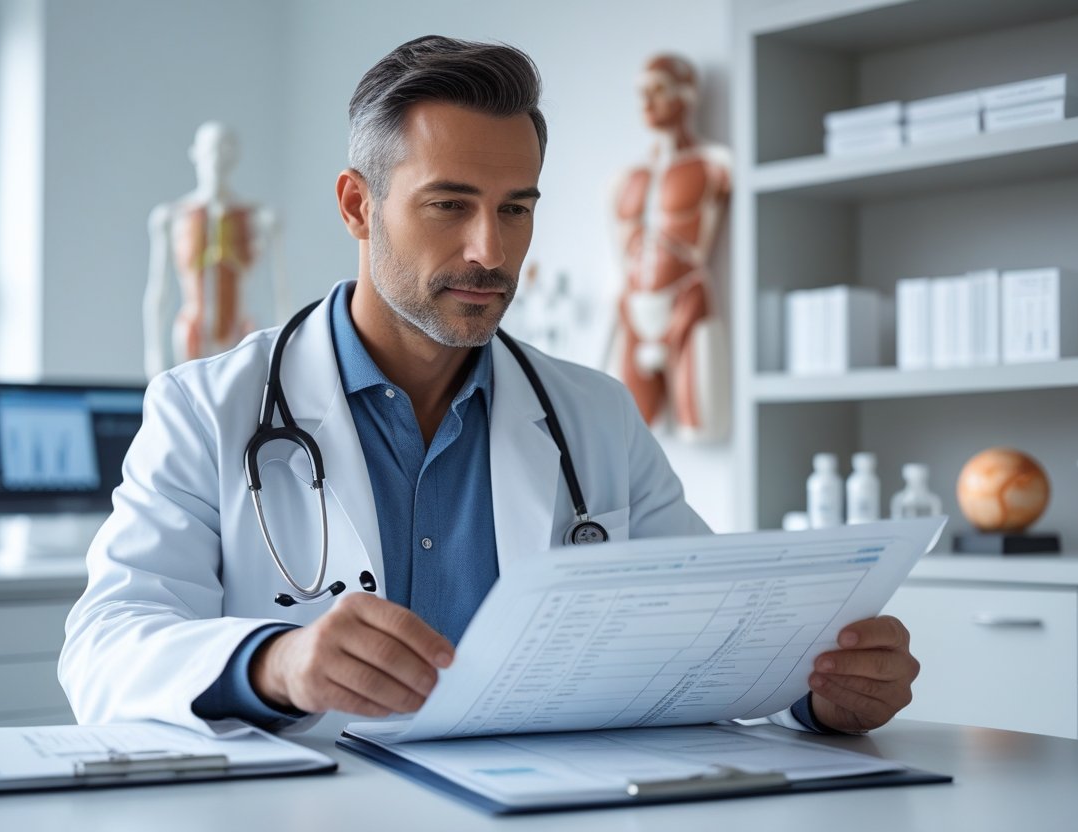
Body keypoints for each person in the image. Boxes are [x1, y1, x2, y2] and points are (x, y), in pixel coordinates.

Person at [60, 36, 918, 737]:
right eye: (450, 205)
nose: (491, 251)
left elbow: (705, 637)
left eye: (516, 208)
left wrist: (821, 689)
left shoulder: (593, 416)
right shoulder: (205, 408)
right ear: (358, 207)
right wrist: (274, 663)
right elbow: (103, 650)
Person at [612, 54, 731, 441]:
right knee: (628, 440)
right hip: (633, 308)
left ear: (687, 94)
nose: (647, 102)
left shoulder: (715, 164)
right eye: (640, 92)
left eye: (658, 90)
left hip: (685, 298)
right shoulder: (625, 179)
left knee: (703, 427)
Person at [143, 121, 288, 381]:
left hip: (239, 334)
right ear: (195, 153)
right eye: (210, 149)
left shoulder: (258, 217)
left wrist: (285, 350)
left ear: (236, 155)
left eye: (225, 148)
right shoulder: (171, 216)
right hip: (191, 333)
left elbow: (278, 288)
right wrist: (152, 351)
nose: (217, 157)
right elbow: (159, 291)